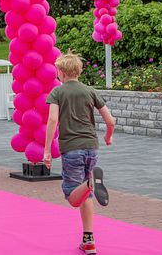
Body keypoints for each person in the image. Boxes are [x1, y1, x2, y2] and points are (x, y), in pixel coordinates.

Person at [43, 51, 116, 255]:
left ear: (60, 73)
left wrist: (47, 150)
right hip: (91, 147)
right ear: (79, 71)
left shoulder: (57, 93)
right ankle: (89, 240)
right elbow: (110, 121)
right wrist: (108, 137)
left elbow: (52, 121)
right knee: (86, 195)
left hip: (71, 148)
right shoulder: (90, 91)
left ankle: (91, 182)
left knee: (72, 196)